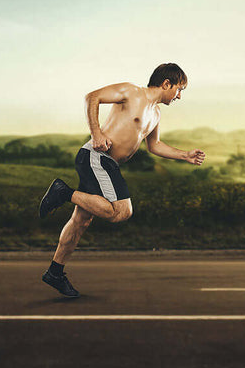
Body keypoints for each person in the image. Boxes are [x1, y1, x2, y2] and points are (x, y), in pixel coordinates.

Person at [37, 63, 206, 298]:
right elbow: (92, 97)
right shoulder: (131, 92)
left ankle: (55, 272)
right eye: (179, 89)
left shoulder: (155, 114)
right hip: (97, 157)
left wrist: (184, 155)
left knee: (81, 221)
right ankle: (63, 193)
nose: (179, 96)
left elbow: (154, 146)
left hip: (106, 164)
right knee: (121, 211)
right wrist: (96, 133)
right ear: (167, 83)